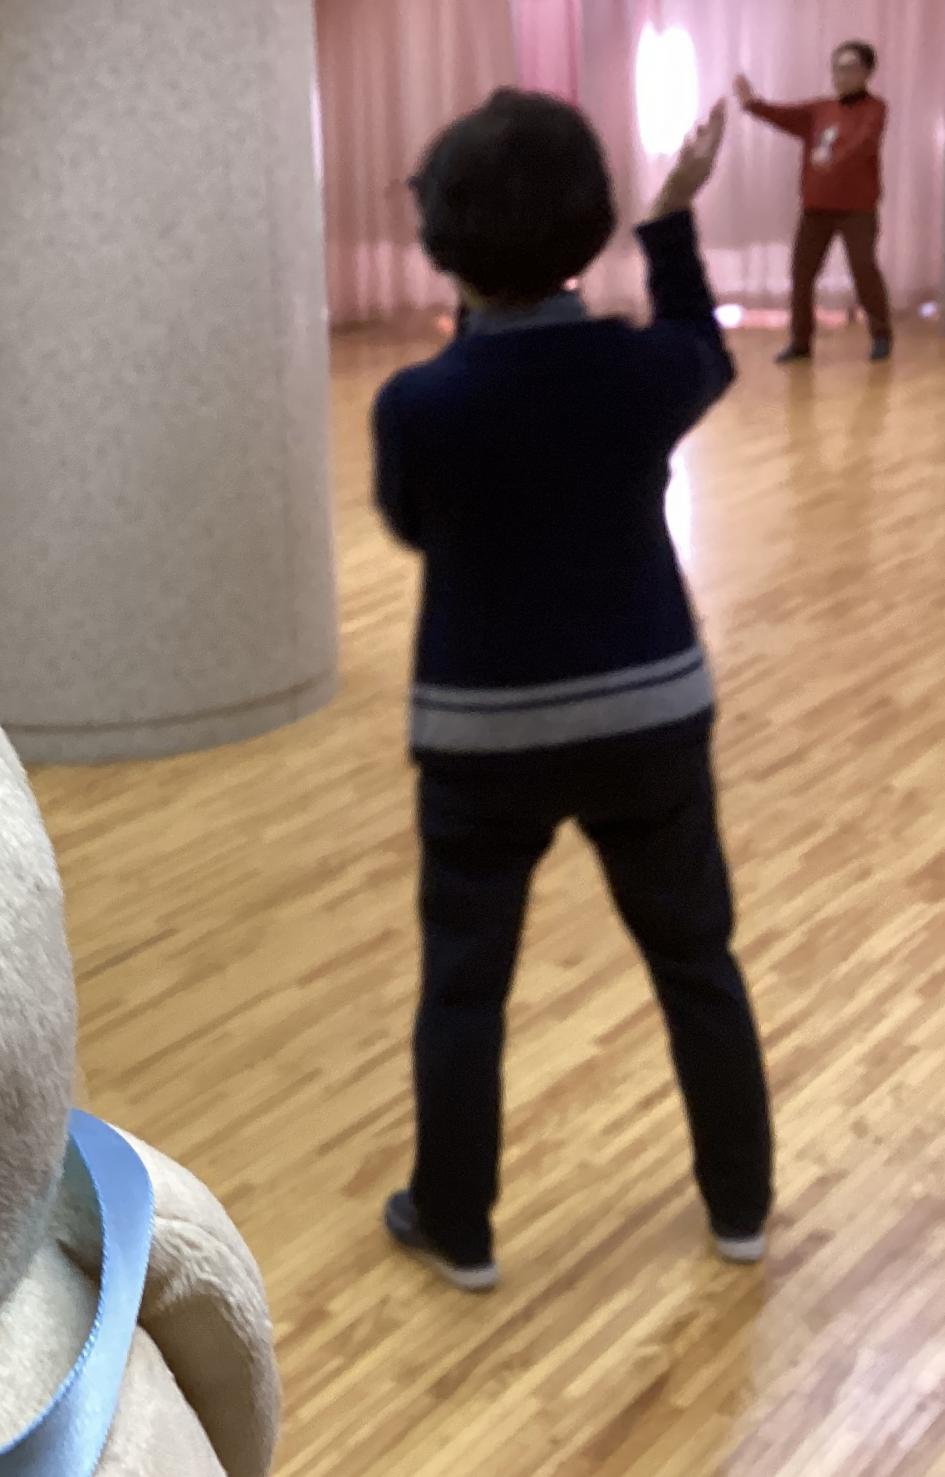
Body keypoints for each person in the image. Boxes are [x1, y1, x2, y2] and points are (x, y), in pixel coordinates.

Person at [374, 93, 774, 1291]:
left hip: (479, 738)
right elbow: (704, 342)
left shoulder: (419, 405)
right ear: (589, 227)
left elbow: (415, 524)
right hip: (650, 716)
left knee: (464, 985)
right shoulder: (640, 371)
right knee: (696, 957)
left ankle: (459, 1224)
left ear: (443, 240)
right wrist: (672, 221)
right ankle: (741, 1207)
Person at [736, 42, 891, 364]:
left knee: (864, 270)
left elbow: (864, 144)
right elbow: (783, 115)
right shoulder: (820, 110)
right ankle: (800, 343)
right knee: (802, 274)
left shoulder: (875, 108)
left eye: (849, 67)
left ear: (867, 72)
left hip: (858, 208)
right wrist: (752, 104)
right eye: (836, 67)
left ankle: (881, 335)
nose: (841, 75)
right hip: (816, 207)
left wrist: (833, 161)